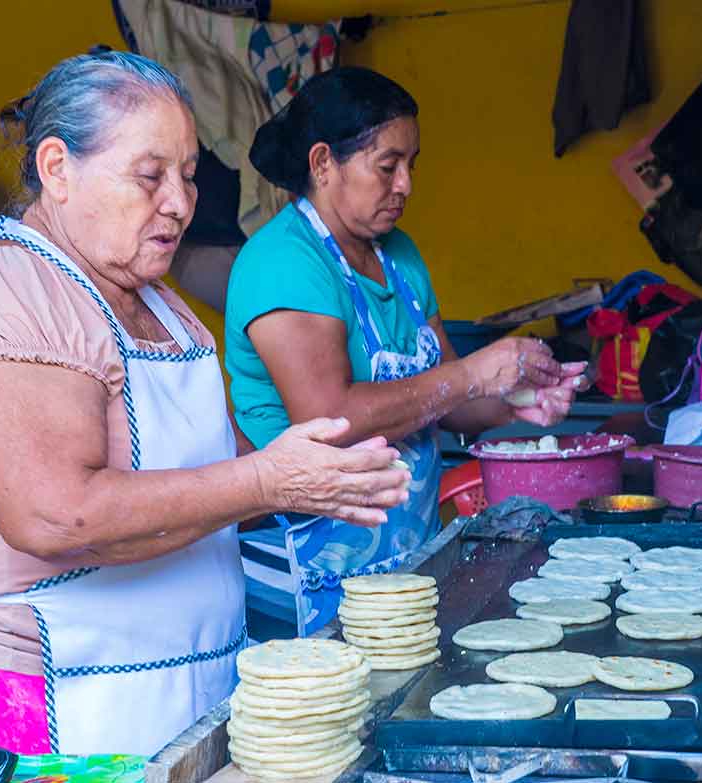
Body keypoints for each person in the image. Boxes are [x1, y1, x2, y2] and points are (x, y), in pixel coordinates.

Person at [0, 52, 409, 757]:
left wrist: (312, 474)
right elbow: (55, 512)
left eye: (186, 176)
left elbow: (199, 461)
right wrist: (266, 480)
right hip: (38, 717)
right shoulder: (8, 290)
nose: (181, 204)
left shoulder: (154, 299)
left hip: (175, 693)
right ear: (57, 169)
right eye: (150, 176)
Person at [225, 67, 587, 636]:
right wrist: (473, 374)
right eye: (387, 166)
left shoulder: (399, 255)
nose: (406, 186)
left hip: (405, 564)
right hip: (308, 567)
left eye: (411, 165)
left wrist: (514, 400)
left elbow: (442, 395)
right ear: (323, 164)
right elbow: (331, 420)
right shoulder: (284, 263)